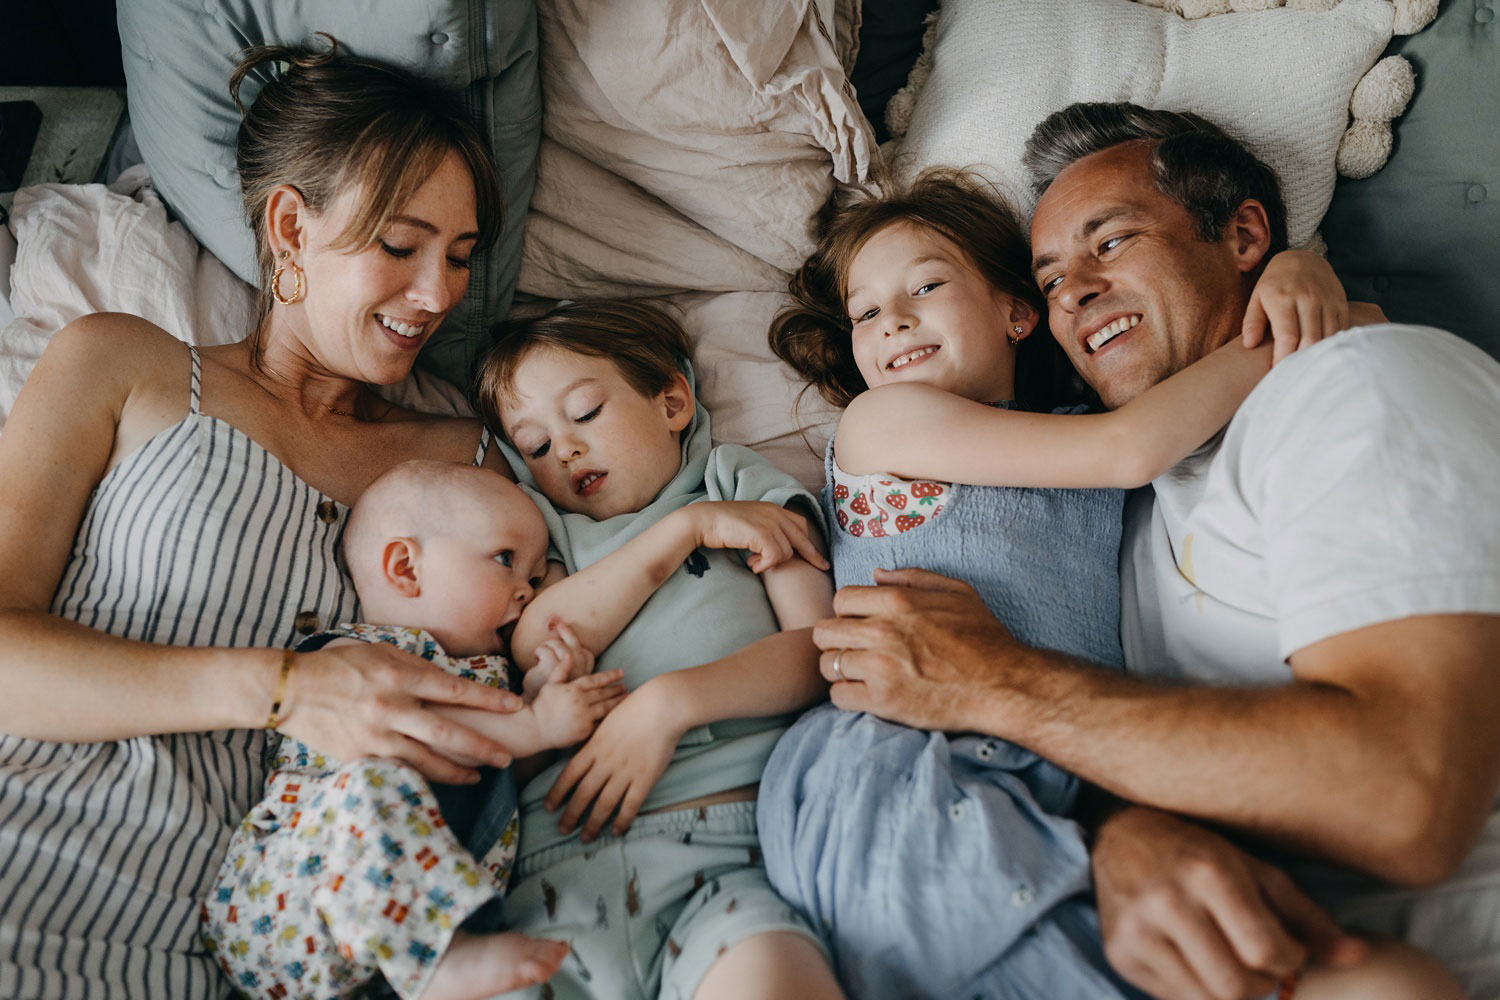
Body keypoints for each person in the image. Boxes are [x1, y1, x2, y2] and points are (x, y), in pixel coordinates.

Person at [807, 101, 1499, 999]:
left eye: (1111, 242)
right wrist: (1119, 833)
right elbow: (1104, 709)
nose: (1075, 292)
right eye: (1051, 277)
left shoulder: (1354, 386)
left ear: (1245, 233)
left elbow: (1405, 800)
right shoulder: (1118, 499)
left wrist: (994, 680)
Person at [0, 38, 539, 999]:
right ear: (290, 226)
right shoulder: (122, 365)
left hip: (260, 951)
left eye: (460, 257)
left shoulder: (473, 458)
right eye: (401, 245)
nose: (440, 295)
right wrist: (287, 687)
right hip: (30, 854)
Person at [202, 460, 824, 1000]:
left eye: (534, 574)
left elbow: (491, 774)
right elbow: (417, 733)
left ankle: (436, 960)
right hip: (286, 908)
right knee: (369, 789)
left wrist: (539, 709)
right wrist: (534, 724)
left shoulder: (487, 676)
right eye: (505, 561)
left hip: (379, 948)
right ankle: (444, 961)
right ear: (404, 567)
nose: (526, 592)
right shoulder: (358, 653)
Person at [471, 299, 847, 1000]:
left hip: (728, 857)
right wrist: (687, 532)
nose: (567, 449)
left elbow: (819, 653)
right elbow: (540, 637)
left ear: (673, 402)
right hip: (559, 869)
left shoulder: (736, 483)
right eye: (537, 447)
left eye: (584, 413)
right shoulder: (549, 530)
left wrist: (669, 706)